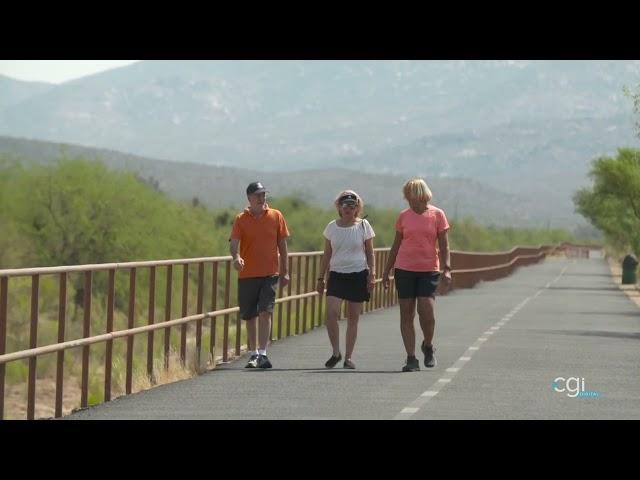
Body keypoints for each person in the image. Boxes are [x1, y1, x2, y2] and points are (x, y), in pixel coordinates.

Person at [382, 179, 451, 372]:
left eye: (412, 197)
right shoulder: (404, 216)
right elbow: (396, 245)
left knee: (427, 311)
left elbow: (445, 245)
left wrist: (447, 269)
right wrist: (387, 271)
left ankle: (428, 346)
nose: (409, 201)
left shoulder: (437, 215)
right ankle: (411, 358)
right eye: (407, 197)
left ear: (422, 196)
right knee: (407, 313)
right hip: (404, 269)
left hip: (428, 269)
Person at [229, 181, 290, 369]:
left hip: (270, 273)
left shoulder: (276, 216)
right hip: (247, 274)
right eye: (258, 195)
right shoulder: (241, 219)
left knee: (266, 311)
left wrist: (285, 272)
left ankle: (263, 353)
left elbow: (283, 246)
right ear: (249, 198)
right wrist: (236, 257)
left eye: (263, 194)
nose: (262, 198)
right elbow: (233, 243)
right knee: (250, 315)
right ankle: (253, 353)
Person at [317, 190, 376, 369]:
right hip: (336, 275)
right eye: (345, 204)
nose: (349, 208)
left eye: (352, 204)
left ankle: (348, 357)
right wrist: (320, 278)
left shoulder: (364, 226)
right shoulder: (331, 227)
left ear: (357, 207)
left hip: (358, 274)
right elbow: (327, 254)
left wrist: (372, 274)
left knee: (353, 317)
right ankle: (336, 352)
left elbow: (370, 252)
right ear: (339, 207)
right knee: (331, 313)